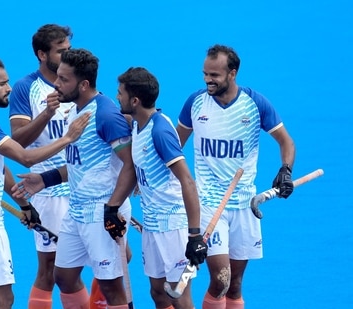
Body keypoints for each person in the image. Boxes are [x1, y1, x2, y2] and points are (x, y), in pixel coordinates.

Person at [0, 58, 89, 309]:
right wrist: (67, 138)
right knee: (4, 299)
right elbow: (25, 158)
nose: (9, 88)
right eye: (2, 84)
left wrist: (23, 204)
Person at [12, 48, 137, 309]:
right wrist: (43, 180)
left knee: (111, 286)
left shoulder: (105, 115)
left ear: (84, 84)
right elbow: (80, 165)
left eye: (63, 80)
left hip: (102, 210)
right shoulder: (75, 111)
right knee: (64, 277)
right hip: (77, 209)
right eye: (57, 77)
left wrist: (113, 207)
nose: (56, 85)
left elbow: (130, 166)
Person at [176, 44, 295, 309]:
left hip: (244, 205)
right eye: (205, 74)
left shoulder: (255, 103)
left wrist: (285, 171)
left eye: (214, 75)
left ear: (233, 73)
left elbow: (286, 141)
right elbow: (174, 146)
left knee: (235, 284)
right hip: (207, 203)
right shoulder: (196, 103)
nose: (208, 80)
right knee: (221, 279)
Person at [116, 67, 208, 309]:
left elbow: (187, 181)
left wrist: (195, 235)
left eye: (121, 94)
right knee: (158, 292)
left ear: (135, 101)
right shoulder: (137, 123)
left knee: (178, 297)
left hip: (173, 228)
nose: (117, 98)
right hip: (152, 225)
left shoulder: (160, 131)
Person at [8, 24, 73, 309]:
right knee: (51, 269)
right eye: (61, 52)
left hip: (83, 185)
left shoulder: (76, 83)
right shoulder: (26, 89)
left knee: (114, 259)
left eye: (69, 49)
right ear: (42, 54)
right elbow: (18, 140)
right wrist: (47, 113)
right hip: (48, 191)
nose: (68, 55)